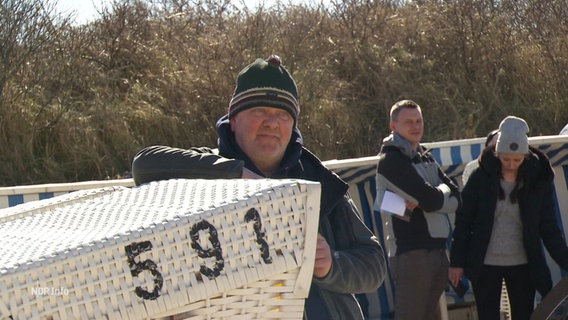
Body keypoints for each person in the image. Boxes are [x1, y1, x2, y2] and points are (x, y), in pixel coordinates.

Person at [131, 55, 387, 320]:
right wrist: (234, 174)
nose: (272, 123)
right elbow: (144, 165)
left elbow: (374, 263)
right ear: (233, 119)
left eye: (283, 115)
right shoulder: (204, 170)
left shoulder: (319, 181)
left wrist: (331, 264)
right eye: (259, 111)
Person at [449, 116, 568, 320]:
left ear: (526, 155)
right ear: (496, 154)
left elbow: (549, 228)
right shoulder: (479, 177)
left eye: (517, 160)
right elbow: (464, 221)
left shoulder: (538, 179)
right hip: (485, 263)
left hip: (523, 263)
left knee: (524, 315)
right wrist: (457, 262)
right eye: (505, 159)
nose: (511, 164)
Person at [373, 99, 461, 320]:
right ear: (393, 126)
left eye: (418, 120)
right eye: (408, 121)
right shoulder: (391, 160)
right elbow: (431, 201)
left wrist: (434, 195)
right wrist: (438, 196)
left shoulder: (426, 156)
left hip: (438, 251)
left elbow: (457, 196)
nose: (415, 126)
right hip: (411, 254)